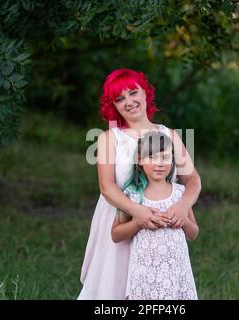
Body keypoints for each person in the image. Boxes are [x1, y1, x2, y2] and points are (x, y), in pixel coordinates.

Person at [78, 68, 201, 299]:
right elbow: (107, 187)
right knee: (113, 288)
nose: (129, 102)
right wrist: (138, 212)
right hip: (123, 216)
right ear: (113, 105)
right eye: (120, 98)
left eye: (133, 93)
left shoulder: (169, 135)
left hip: (160, 228)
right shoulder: (109, 138)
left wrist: (184, 205)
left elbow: (193, 179)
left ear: (145, 93)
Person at [112, 131, 199, 300]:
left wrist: (182, 220)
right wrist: (138, 223)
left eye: (165, 157)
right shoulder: (132, 195)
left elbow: (193, 233)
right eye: (152, 157)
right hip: (145, 277)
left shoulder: (180, 194)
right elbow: (116, 235)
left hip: (176, 275)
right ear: (140, 160)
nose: (160, 164)